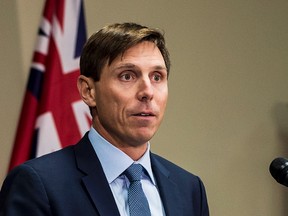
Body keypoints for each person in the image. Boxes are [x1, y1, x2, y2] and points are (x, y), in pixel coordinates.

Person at [0, 22, 209, 216]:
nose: (148, 92)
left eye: (157, 77)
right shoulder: (38, 185)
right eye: (127, 76)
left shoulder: (189, 189)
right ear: (88, 91)